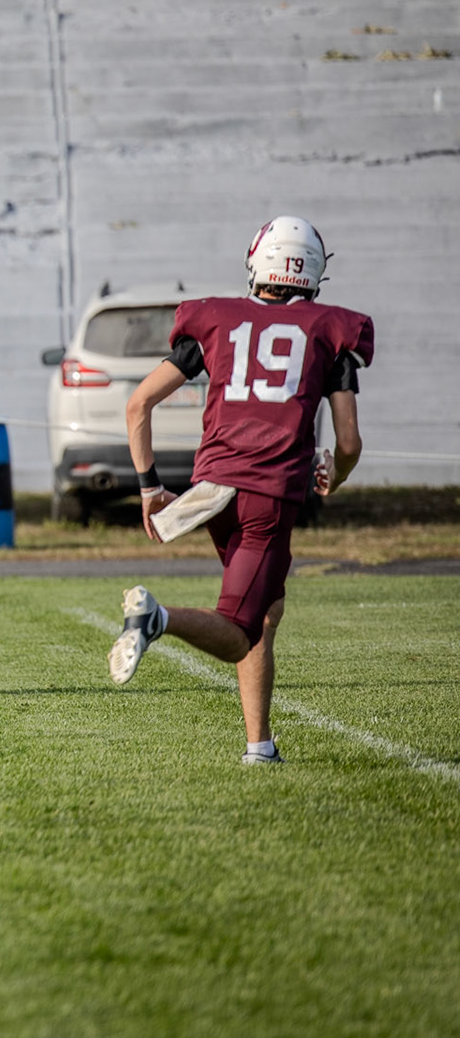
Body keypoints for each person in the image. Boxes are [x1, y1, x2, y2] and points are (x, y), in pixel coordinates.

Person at [112, 216, 373, 765]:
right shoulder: (331, 331)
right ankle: (156, 619)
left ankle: (260, 746)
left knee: (267, 608)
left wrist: (149, 487)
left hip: (212, 493)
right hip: (268, 495)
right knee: (238, 628)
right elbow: (348, 440)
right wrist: (336, 474)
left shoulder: (217, 320)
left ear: (258, 263)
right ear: (315, 272)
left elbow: (137, 404)